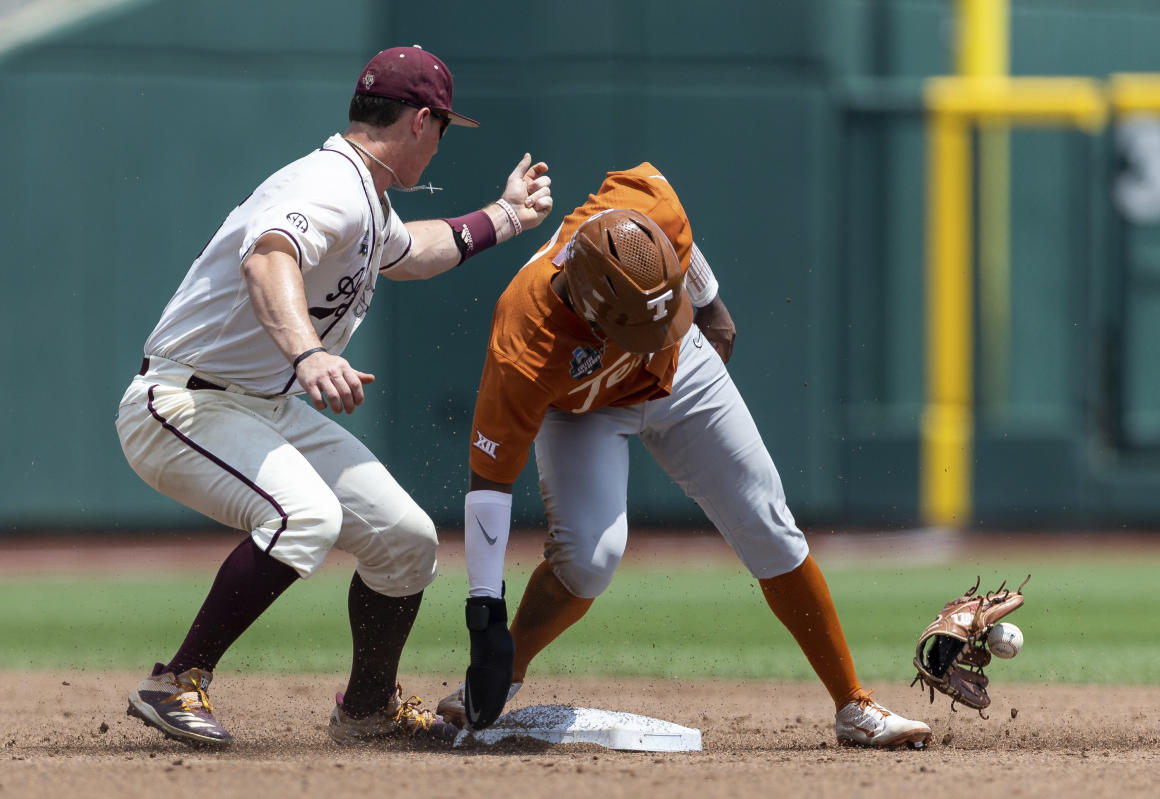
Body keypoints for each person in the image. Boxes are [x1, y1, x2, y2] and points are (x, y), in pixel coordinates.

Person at [115, 45, 553, 748]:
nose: (440, 146)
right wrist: (309, 351)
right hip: (183, 401)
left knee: (405, 543)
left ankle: (367, 710)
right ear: (420, 121)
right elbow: (268, 256)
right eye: (442, 129)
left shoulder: (364, 196)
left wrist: (503, 216)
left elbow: (410, 252)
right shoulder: (331, 185)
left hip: (259, 402)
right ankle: (178, 679)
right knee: (307, 515)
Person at [436, 163, 932, 749]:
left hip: (683, 368)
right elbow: (489, 486)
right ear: (590, 309)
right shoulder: (526, 344)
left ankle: (855, 705)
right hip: (583, 409)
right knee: (591, 559)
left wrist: (711, 303)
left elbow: (682, 240)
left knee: (768, 524)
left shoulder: (649, 206)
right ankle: (502, 674)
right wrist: (484, 618)